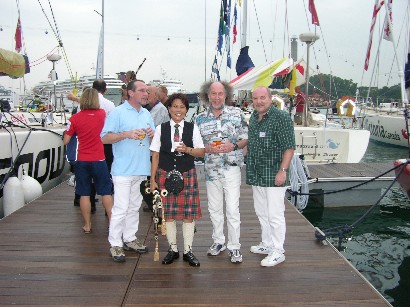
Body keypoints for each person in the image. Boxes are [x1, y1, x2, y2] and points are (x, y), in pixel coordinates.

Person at [101, 79, 155, 263]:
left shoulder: (147, 113)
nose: (146, 93)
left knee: (134, 207)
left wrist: (152, 135)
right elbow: (104, 138)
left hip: (141, 168)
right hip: (123, 170)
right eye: (142, 90)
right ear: (130, 93)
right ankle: (115, 243)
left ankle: (130, 238)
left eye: (147, 91)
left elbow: (154, 140)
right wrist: (126, 134)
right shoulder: (117, 112)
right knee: (121, 208)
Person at [195, 81, 248, 264]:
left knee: (232, 209)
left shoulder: (236, 113)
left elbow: (245, 138)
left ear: (226, 95)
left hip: (231, 167)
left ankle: (235, 246)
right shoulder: (200, 119)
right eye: (213, 94)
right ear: (207, 95)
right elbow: (197, 146)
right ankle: (219, 241)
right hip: (211, 170)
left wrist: (233, 145)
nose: (217, 97)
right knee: (214, 208)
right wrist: (206, 148)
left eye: (220, 94)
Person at [150, 93, 205, 267]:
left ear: (186, 110)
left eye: (182, 107)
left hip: (186, 173)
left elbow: (201, 151)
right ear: (169, 108)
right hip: (165, 175)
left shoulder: (192, 128)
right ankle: (173, 249)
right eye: (175, 106)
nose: (178, 110)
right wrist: (153, 180)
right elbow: (156, 155)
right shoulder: (161, 128)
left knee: (188, 215)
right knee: (169, 215)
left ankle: (188, 251)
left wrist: (188, 149)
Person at [246, 86, 295, 267]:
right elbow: (251, 142)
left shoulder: (281, 117)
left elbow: (289, 147)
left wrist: (283, 171)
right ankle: (267, 244)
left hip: (274, 173)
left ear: (270, 98)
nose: (259, 101)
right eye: (255, 98)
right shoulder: (253, 116)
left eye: (262, 98)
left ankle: (278, 250)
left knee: (275, 213)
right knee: (261, 211)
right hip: (257, 173)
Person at [63, 88, 113, 234]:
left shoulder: (75, 118)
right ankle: (111, 223)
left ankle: (87, 225)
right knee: (106, 192)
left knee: (84, 193)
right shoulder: (102, 115)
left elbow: (66, 140)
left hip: (82, 160)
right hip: (99, 159)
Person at [140, 86, 170, 212]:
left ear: (156, 96)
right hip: (150, 151)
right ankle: (153, 203)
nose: (146, 94)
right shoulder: (150, 109)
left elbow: (149, 129)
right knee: (149, 179)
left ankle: (156, 204)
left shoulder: (159, 110)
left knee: (151, 179)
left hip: (156, 152)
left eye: (149, 92)